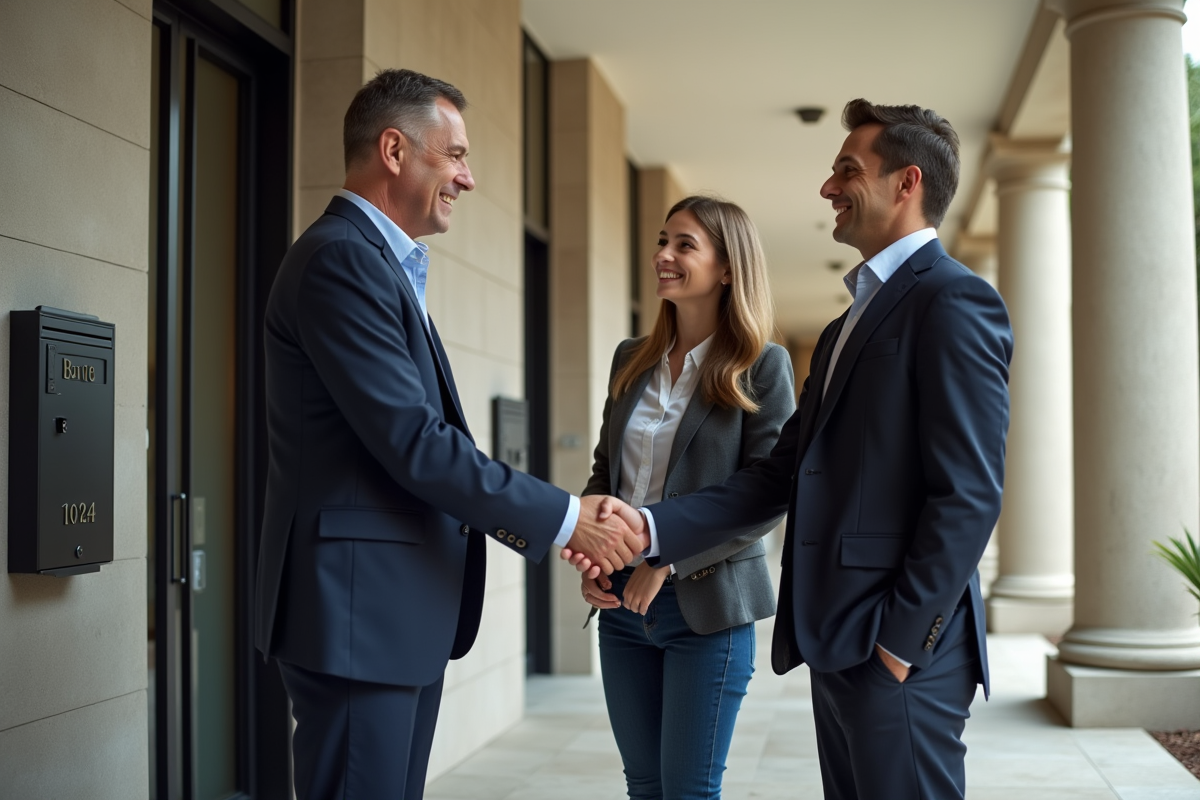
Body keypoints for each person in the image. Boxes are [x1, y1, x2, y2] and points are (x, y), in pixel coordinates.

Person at [571, 99, 1013, 800]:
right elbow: (779, 476)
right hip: (839, 645)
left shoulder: (954, 301)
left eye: (847, 170)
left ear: (908, 184)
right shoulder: (846, 328)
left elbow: (968, 494)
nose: (827, 188)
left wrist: (898, 647)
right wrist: (648, 532)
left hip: (894, 652)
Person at [253, 69, 643, 800]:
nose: (468, 177)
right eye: (455, 155)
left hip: (384, 618)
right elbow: (416, 443)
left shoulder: (378, 264)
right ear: (394, 150)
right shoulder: (342, 260)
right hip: (355, 618)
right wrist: (567, 518)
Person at [579, 196, 794, 800]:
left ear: (728, 268)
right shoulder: (632, 360)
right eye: (661, 240)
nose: (662, 255)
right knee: (643, 786)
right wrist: (594, 554)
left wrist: (667, 557)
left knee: (688, 792)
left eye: (684, 244)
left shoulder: (761, 366)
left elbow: (766, 494)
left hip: (707, 610)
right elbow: (606, 475)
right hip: (621, 607)